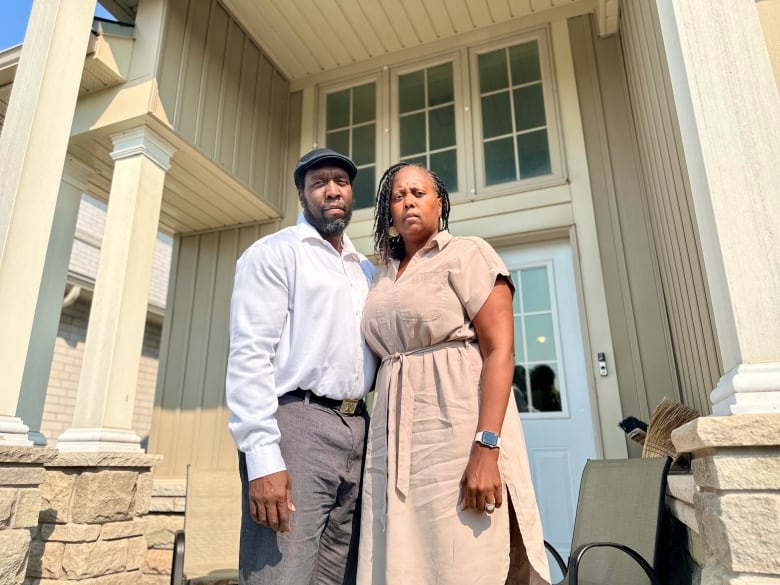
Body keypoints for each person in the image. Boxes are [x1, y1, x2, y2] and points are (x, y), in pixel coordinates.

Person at [357, 162, 550, 585]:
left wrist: (487, 447)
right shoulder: (380, 275)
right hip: (394, 441)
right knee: (405, 556)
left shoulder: (468, 253)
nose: (407, 201)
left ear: (439, 203)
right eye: (397, 195)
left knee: (463, 553)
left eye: (418, 193)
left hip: (457, 429)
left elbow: (501, 351)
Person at [225, 148, 378, 585]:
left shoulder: (364, 269)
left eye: (342, 182)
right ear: (302, 194)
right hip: (296, 424)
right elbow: (250, 354)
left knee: (337, 573)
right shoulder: (274, 254)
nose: (332, 190)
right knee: (283, 573)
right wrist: (262, 456)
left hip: (357, 429)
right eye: (319, 182)